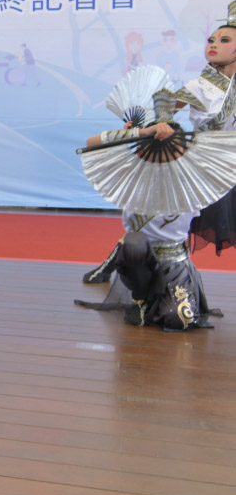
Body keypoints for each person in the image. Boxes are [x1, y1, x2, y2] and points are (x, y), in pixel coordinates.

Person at [75, 91, 220, 331]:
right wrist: (140, 132)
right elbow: (92, 143)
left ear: (184, 148)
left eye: (173, 146)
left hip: (175, 263)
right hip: (139, 257)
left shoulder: (195, 176)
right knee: (132, 242)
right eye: (152, 145)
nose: (163, 150)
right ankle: (140, 298)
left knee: (179, 320)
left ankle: (161, 300)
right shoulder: (131, 173)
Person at [184, 16, 236, 254]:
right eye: (211, 40)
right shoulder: (200, 86)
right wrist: (150, 124)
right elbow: (163, 105)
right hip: (203, 167)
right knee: (168, 228)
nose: (213, 44)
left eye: (224, 40)